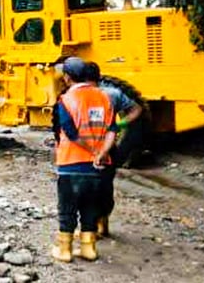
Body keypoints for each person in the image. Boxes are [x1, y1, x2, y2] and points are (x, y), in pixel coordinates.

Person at [51, 56, 118, 263]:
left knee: (67, 209)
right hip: (97, 166)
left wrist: (90, 149)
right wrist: (101, 152)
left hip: (71, 163)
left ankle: (65, 250)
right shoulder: (104, 98)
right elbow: (112, 130)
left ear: (68, 77)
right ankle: (89, 249)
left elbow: (70, 133)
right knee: (90, 207)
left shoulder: (66, 100)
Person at [87, 61, 143, 238]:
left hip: (87, 149)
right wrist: (120, 124)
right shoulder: (113, 93)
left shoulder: (78, 96)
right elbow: (137, 109)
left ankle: (93, 228)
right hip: (108, 148)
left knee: (88, 187)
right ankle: (103, 223)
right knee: (105, 186)